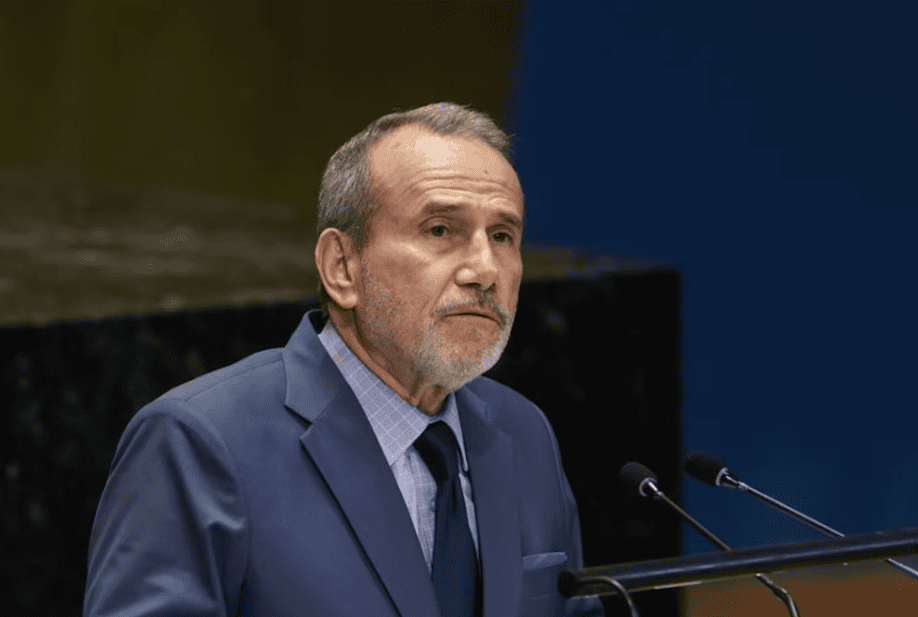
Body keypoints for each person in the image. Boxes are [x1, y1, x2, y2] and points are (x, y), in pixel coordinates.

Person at [84, 102, 604, 617]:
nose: (485, 269)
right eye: (440, 230)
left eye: (502, 236)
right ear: (342, 267)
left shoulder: (523, 431)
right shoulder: (199, 443)